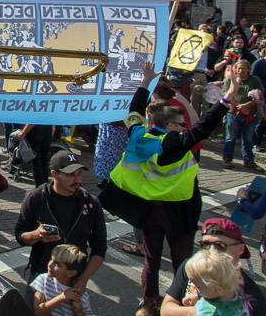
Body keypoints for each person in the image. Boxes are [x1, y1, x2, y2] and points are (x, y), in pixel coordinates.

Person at [99, 61, 240, 306]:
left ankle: (150, 302)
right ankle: (181, 301)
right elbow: (205, 125)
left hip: (149, 210)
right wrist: (227, 97)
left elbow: (134, 111)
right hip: (178, 211)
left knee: (151, 261)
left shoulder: (138, 136)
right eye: (182, 124)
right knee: (183, 262)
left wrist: (145, 82)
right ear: (171, 126)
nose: (187, 126)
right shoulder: (176, 143)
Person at [16, 151, 106, 300]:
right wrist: (36, 235)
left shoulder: (90, 204)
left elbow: (100, 248)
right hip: (41, 276)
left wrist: (83, 279)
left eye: (78, 174)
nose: (77, 179)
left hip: (73, 280)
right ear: (55, 174)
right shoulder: (36, 198)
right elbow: (20, 236)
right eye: (70, 175)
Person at [162, 218, 266, 316]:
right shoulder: (192, 268)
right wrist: (192, 311)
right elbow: (165, 309)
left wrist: (201, 311)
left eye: (220, 246)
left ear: (240, 249)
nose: (211, 250)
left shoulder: (253, 299)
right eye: (205, 244)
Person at [222, 59, 265, 171]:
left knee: (248, 139)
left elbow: (259, 96)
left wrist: (247, 106)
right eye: (238, 68)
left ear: (249, 70)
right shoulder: (231, 79)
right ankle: (227, 159)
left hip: (249, 113)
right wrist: (239, 106)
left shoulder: (254, 80)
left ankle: (248, 160)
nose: (240, 70)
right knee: (230, 137)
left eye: (243, 68)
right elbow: (227, 95)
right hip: (233, 113)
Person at [30, 244, 92, 316]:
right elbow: (38, 312)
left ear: (71, 273)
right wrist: (61, 297)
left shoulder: (79, 294)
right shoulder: (43, 280)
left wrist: (77, 311)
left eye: (57, 264)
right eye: (51, 259)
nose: (50, 264)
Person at [184, 249, 246, 316]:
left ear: (217, 288)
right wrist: (198, 295)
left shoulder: (208, 311)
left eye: (198, 287)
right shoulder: (235, 290)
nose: (194, 287)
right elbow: (212, 291)